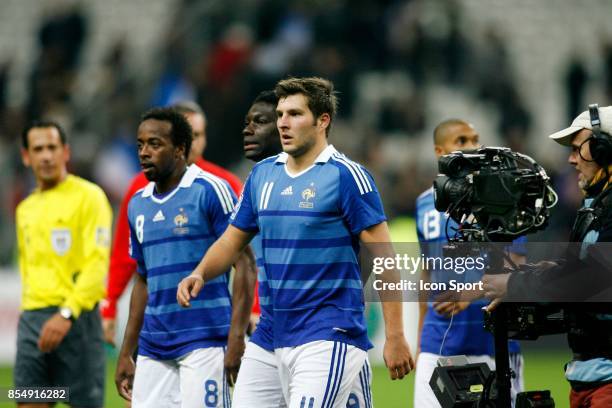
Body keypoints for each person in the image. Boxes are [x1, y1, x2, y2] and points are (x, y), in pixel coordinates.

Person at [178, 77, 414, 408]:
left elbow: (385, 259)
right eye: (280, 114)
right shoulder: (262, 176)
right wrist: (200, 272)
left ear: (322, 121)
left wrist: (396, 336)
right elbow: (231, 240)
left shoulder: (346, 176)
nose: (283, 123)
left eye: (295, 114)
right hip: (269, 335)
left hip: (327, 334)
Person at [114, 107, 255, 407]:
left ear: (179, 149)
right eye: (140, 145)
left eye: (154, 144)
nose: (144, 153)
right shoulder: (137, 204)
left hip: (205, 340)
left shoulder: (211, 190)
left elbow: (245, 262)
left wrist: (236, 337)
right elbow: (142, 278)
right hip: (153, 345)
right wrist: (127, 351)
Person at [483, 105, 612, 408]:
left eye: (579, 149)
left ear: (605, 149)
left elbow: (592, 278)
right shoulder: (595, 208)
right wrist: (550, 269)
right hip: (591, 375)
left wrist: (517, 283)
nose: (571, 159)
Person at [101, 100, 243, 346]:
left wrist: (251, 310)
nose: (193, 142)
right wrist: (110, 305)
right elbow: (125, 256)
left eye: (198, 135)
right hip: (154, 326)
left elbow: (246, 258)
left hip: (207, 323)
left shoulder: (225, 184)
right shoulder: (140, 189)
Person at [414, 119, 525, 407]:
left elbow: (517, 266)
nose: (473, 147)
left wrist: (470, 293)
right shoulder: (424, 204)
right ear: (441, 152)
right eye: (461, 141)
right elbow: (427, 273)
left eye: (475, 139)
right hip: (437, 338)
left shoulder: (502, 199)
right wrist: (419, 340)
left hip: (494, 338)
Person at [15, 120, 112, 408]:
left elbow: (97, 263)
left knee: (82, 403)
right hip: (33, 321)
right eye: (38, 149)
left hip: (77, 321)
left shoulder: (90, 197)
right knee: (30, 401)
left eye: (52, 148)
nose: (46, 156)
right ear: (26, 156)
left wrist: (66, 313)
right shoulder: (25, 209)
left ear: (65, 152)